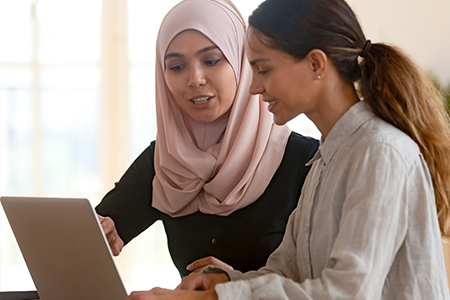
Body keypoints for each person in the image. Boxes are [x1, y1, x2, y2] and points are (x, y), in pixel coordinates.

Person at [125, 0, 450, 299]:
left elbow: (348, 292)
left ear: (315, 64)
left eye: (264, 69)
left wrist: (214, 298)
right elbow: (288, 269)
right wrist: (227, 282)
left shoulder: (380, 152)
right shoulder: (326, 158)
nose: (253, 86)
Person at [96, 0, 318, 278]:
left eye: (211, 60)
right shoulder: (165, 161)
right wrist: (98, 233)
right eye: (176, 67)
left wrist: (235, 285)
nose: (195, 79)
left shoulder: (306, 161)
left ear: (243, 63)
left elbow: (325, 282)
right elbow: (101, 228)